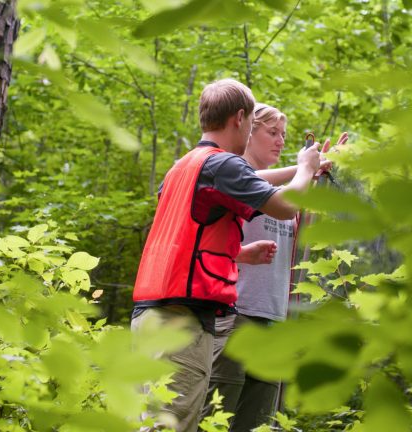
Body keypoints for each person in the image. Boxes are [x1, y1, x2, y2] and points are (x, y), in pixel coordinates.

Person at [130, 79, 322, 432]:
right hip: (181, 318)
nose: (250, 133)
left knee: (157, 421)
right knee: (170, 426)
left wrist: (239, 253)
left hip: (152, 314)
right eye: (252, 123)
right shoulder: (223, 165)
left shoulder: (185, 166)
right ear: (239, 118)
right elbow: (282, 205)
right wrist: (305, 167)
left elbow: (193, 233)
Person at [201, 103, 347, 431]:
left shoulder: (285, 194)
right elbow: (251, 182)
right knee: (214, 420)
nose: (281, 140)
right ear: (247, 131)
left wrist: (317, 175)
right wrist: (303, 169)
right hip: (236, 316)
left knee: (257, 424)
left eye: (284, 134)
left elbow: (305, 239)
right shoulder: (233, 178)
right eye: (272, 132)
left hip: (275, 321)